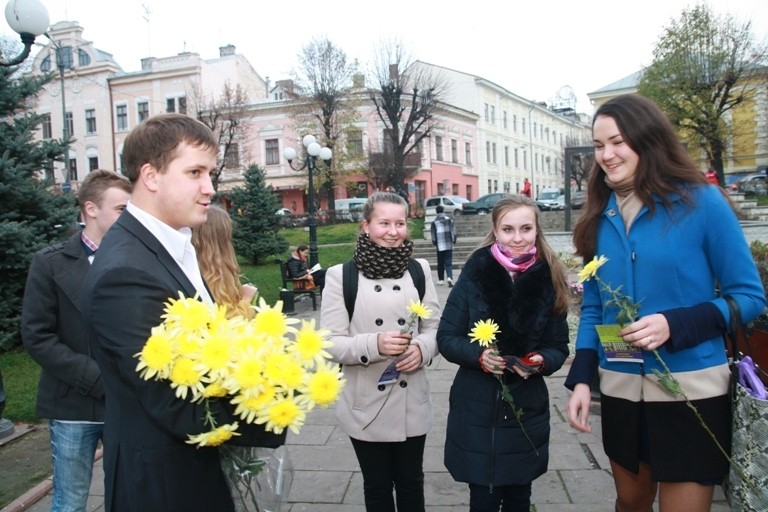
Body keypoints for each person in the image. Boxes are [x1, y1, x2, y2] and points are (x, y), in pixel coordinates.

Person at [564, 94, 766, 512]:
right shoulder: (599, 216)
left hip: (692, 393)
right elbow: (596, 307)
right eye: (599, 145)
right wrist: (583, 379)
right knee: (630, 502)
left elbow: (748, 298)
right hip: (621, 390)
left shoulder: (702, 203)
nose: (606, 155)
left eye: (617, 142)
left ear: (647, 138)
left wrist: (676, 324)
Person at [81, 114, 282, 512]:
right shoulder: (126, 271)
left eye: (210, 173)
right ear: (151, 176)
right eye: (195, 172)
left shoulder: (173, 244)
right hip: (165, 487)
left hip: (191, 473)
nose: (210, 188)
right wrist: (278, 404)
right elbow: (177, 402)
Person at [436, 195, 570, 511]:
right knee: (483, 498)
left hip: (525, 408)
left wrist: (540, 361)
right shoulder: (476, 272)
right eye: (508, 229)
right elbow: (447, 337)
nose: (517, 238)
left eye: (526, 228)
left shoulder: (549, 277)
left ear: (537, 230)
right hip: (477, 408)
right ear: (496, 231)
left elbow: (558, 347)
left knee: (519, 498)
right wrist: (478, 357)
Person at [320, 191, 440, 512]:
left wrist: (422, 349)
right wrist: (374, 344)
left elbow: (435, 328)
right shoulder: (341, 276)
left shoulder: (419, 270)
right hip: (366, 406)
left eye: (400, 223)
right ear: (365, 226)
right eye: (384, 222)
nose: (393, 231)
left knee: (412, 483)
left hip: (411, 401)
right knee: (377, 487)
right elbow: (329, 342)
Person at [21, 169, 131, 512]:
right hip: (72, 405)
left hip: (126, 404)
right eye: (121, 209)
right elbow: (37, 336)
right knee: (69, 500)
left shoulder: (134, 259)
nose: (129, 217)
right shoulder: (49, 263)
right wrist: (94, 377)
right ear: (91, 209)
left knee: (130, 497)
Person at [192, 204, 257, 319]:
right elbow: (230, 321)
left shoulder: (193, 267)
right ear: (221, 239)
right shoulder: (213, 277)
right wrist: (246, 299)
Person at [430, 204, 457, 287]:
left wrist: (434, 241)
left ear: (436, 212)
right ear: (443, 210)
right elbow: (453, 231)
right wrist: (454, 239)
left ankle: (440, 280)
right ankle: (449, 277)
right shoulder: (449, 220)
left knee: (440, 262)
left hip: (440, 245)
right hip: (448, 244)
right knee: (448, 262)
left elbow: (433, 234)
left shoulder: (434, 221)